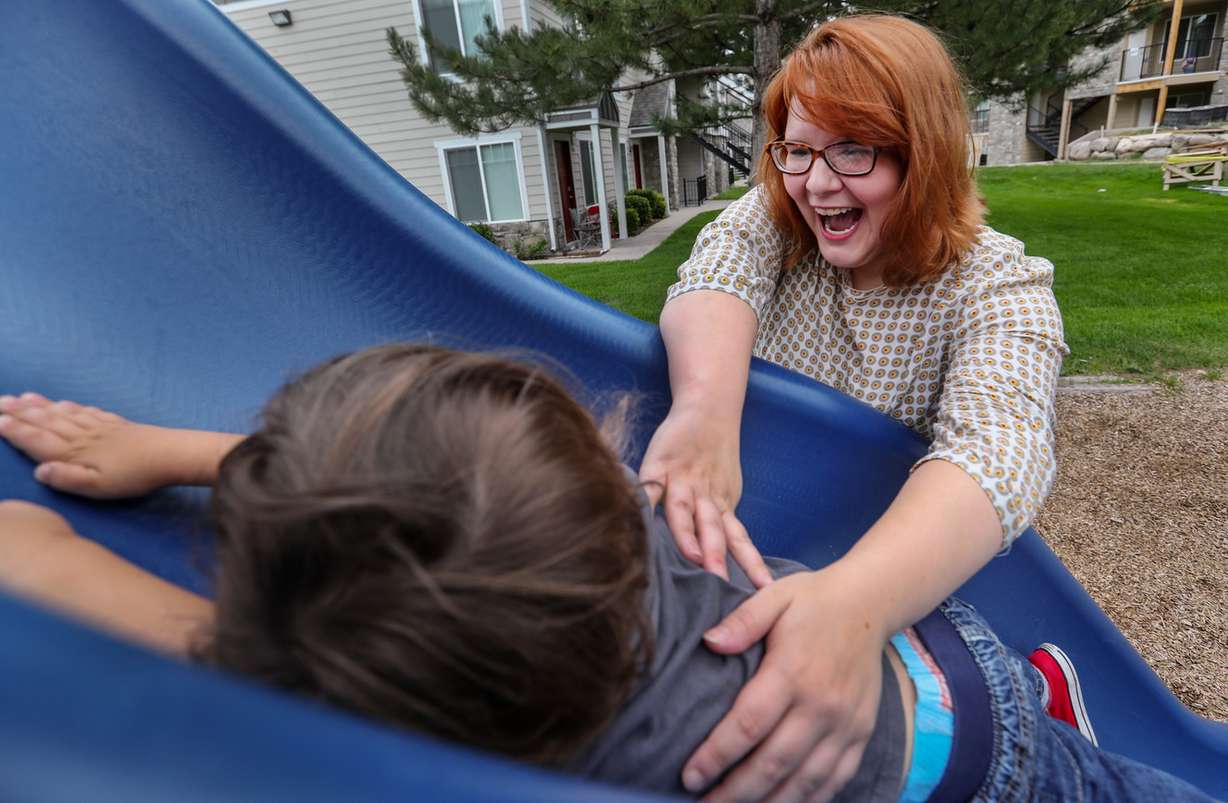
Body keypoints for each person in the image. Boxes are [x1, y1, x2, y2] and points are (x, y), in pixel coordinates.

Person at [0, 345, 1217, 803]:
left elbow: (166, 629)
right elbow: (417, 488)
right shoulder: (603, 529)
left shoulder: (441, 700)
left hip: (943, 752)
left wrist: (76, 524)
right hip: (981, 719)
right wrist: (171, 450)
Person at [638, 15, 1071, 800]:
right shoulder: (780, 220)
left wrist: (856, 607)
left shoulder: (997, 287)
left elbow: (1000, 445)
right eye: (799, 149)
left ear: (927, 152)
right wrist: (703, 410)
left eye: (854, 150)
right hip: (777, 545)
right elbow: (717, 271)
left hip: (894, 574)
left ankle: (1036, 701)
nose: (818, 183)